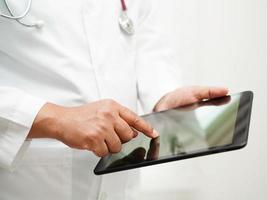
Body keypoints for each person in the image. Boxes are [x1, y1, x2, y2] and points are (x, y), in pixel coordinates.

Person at [0, 0, 228, 199]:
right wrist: (54, 118)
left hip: (122, 182)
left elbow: (145, 39)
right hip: (26, 185)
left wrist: (163, 97)